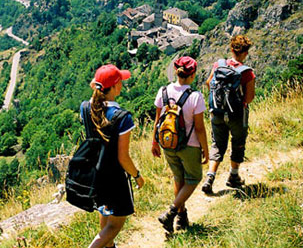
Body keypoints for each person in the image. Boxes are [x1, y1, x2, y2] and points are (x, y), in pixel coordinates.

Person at [84, 64, 145, 248]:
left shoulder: (86, 108)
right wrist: (137, 175)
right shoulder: (122, 117)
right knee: (115, 224)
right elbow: (123, 157)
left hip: (95, 174)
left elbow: (93, 90)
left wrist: (98, 84)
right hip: (115, 178)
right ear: (117, 86)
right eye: (121, 81)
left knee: (105, 212)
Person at [152, 56, 209, 233]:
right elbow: (199, 128)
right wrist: (206, 150)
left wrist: (154, 142)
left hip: (167, 144)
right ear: (192, 75)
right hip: (189, 145)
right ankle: (170, 212)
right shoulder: (195, 97)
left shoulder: (163, 92)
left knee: (179, 179)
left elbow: (157, 121)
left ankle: (180, 217)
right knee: (194, 178)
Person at [201, 35, 256, 194]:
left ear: (231, 49)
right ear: (246, 53)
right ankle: (233, 176)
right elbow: (249, 98)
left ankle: (210, 177)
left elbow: (208, 83)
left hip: (217, 112)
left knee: (217, 144)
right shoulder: (247, 73)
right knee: (238, 142)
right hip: (237, 115)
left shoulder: (219, 65)